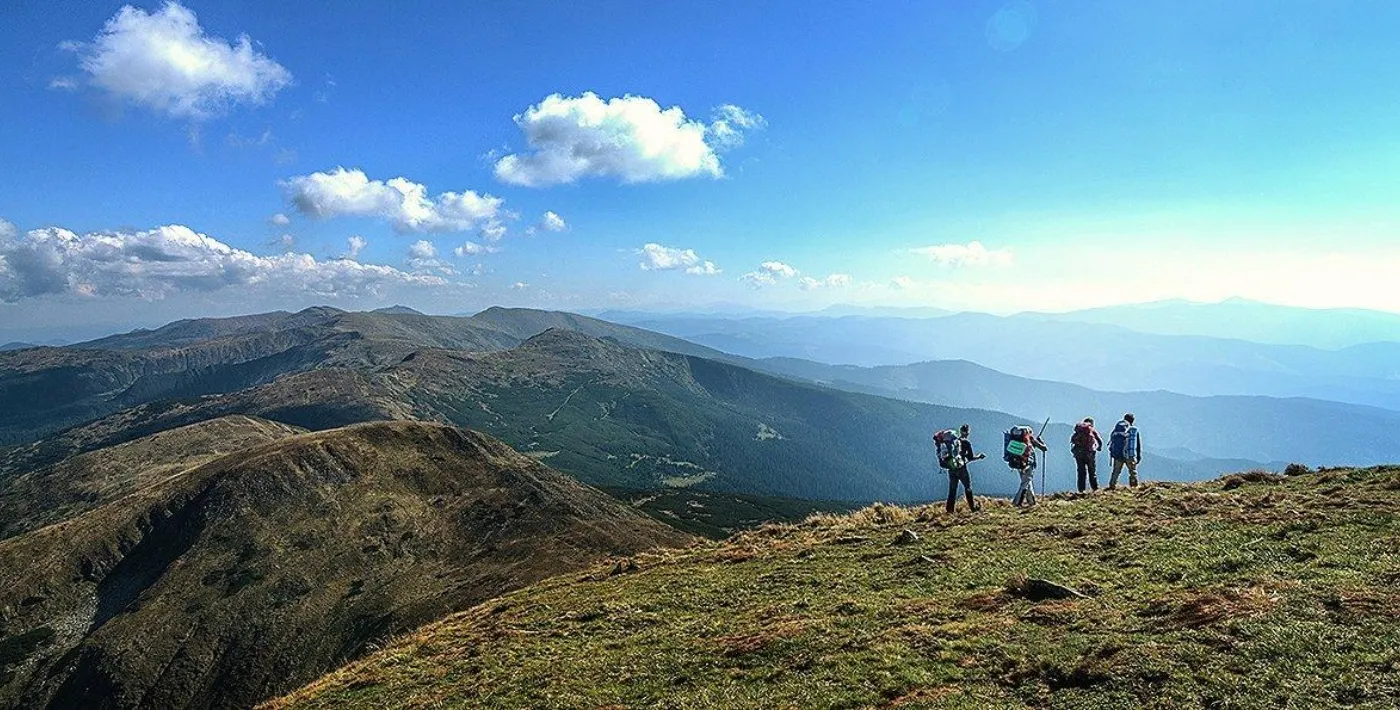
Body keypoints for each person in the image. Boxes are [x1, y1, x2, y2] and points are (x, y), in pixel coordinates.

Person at [944, 424, 986, 514]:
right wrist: (979, 457)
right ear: (967, 432)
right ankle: (972, 508)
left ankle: (949, 510)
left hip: (952, 468)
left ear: (960, 431)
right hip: (962, 468)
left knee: (952, 489)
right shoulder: (966, 443)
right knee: (968, 487)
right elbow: (970, 457)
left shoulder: (953, 443)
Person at [1008, 426, 1049, 509]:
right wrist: (1040, 440)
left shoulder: (1016, 439)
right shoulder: (1030, 438)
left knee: (1027, 482)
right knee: (1025, 483)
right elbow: (1044, 448)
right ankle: (1016, 502)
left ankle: (1032, 502)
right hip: (1028, 464)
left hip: (1018, 463)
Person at [1108, 413, 1142, 489]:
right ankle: (1134, 486)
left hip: (1118, 454)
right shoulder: (1133, 430)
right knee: (1132, 471)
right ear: (1132, 421)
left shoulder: (1117, 428)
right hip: (1129, 454)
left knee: (1116, 472)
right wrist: (1138, 456)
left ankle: (1112, 486)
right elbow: (1138, 444)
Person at [1070, 417, 1103, 492]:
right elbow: (1099, 441)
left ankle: (1081, 490)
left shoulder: (1078, 430)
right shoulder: (1092, 430)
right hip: (1089, 453)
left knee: (1081, 472)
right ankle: (1095, 488)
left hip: (1078, 453)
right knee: (1092, 471)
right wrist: (1099, 448)